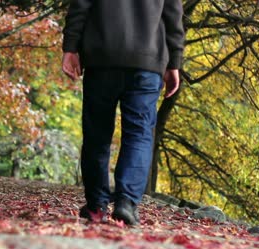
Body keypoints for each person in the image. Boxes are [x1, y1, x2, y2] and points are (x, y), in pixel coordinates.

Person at [62, 0, 185, 225]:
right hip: (146, 63)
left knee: (96, 134)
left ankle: (97, 206)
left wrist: (70, 46)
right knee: (139, 134)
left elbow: (80, 5)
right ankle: (126, 202)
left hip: (102, 58)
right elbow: (173, 15)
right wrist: (175, 61)